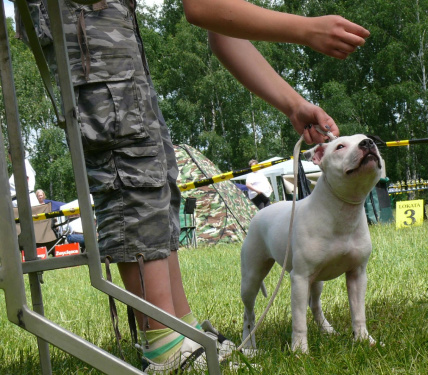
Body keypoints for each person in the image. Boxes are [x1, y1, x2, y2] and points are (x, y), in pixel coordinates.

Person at [17, 0, 370, 371]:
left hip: (109, 13)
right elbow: (203, 7)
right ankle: (164, 346)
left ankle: (180, 328)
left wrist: (293, 104)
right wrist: (305, 30)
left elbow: (222, 32)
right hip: (81, 10)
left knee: (156, 166)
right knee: (130, 157)